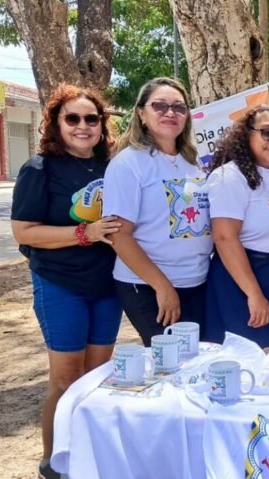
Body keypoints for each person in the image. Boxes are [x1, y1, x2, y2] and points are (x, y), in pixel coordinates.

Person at [11, 84, 121, 479]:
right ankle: (51, 464)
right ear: (55, 123)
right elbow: (24, 232)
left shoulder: (114, 167)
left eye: (91, 118)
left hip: (108, 286)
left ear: (102, 125)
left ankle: (86, 456)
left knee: (97, 377)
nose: (82, 125)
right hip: (59, 283)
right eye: (72, 118)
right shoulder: (39, 169)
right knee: (66, 378)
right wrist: (84, 233)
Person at [103, 77, 212, 346]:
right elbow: (119, 235)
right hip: (148, 286)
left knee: (199, 359)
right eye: (160, 106)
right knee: (173, 361)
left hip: (198, 281)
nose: (170, 113)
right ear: (142, 114)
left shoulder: (195, 162)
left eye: (179, 107)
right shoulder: (128, 163)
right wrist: (162, 287)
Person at [203, 105, 269, 348]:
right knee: (249, 359)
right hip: (245, 282)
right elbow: (224, 238)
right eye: (267, 133)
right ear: (247, 134)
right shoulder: (230, 176)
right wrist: (254, 294)